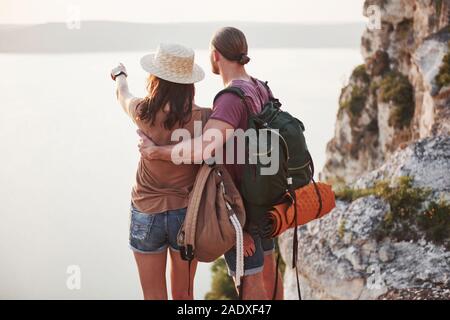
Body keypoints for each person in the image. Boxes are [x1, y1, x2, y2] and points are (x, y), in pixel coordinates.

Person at [138, 27, 284, 300]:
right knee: (269, 272)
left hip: (243, 207)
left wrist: (158, 152)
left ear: (215, 56)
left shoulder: (230, 98)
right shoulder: (261, 87)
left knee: (250, 280)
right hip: (266, 198)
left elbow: (203, 148)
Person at [110, 43, 210, 300]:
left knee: (153, 296)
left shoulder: (143, 112)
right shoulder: (203, 118)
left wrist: (120, 74)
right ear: (189, 83)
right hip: (186, 214)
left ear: (155, 78)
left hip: (146, 210)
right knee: (184, 296)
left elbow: (122, 94)